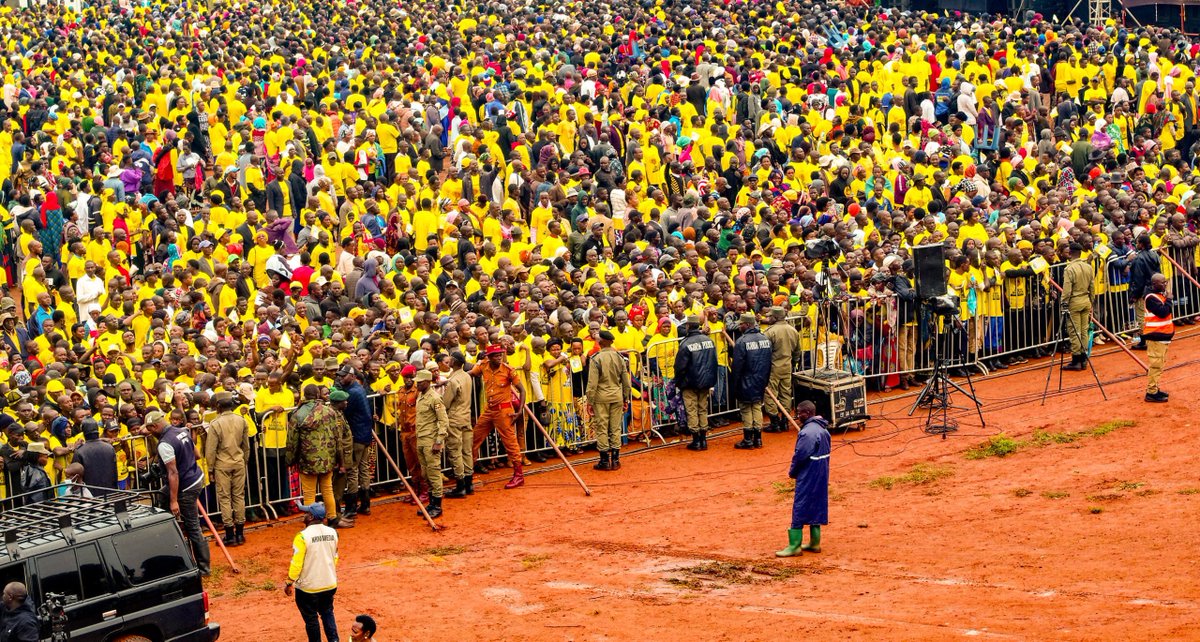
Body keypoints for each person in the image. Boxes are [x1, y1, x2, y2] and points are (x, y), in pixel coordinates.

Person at [146, 410, 211, 576]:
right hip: (196, 477)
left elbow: (173, 473)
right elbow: (197, 455)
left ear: (155, 426)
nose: (149, 432)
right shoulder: (181, 431)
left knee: (192, 525)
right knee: (162, 495)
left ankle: (203, 568)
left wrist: (174, 501)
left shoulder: (164, 444)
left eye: (150, 428)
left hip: (186, 485)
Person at [288, 386, 355, 529]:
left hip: (307, 460)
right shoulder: (329, 412)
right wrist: (340, 460)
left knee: (309, 493)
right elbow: (337, 438)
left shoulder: (298, 414)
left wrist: (290, 460)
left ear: (304, 395)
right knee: (327, 489)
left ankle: (311, 522)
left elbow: (292, 441)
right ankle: (332, 518)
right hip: (327, 459)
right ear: (318, 394)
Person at [776, 401, 831, 558]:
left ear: (807, 413)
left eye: (799, 413)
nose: (797, 416)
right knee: (817, 505)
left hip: (808, 473)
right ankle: (815, 542)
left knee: (800, 506)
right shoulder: (823, 429)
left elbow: (800, 455)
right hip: (822, 472)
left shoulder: (807, 433)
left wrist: (793, 472)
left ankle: (794, 546)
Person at [470, 344, 526, 489]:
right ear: (489, 357)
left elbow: (522, 390)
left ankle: (519, 475)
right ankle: (468, 474)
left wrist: (519, 410)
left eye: (500, 354)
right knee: (474, 438)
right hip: (489, 410)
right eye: (495, 355)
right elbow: (471, 373)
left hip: (504, 410)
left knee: (510, 443)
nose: (499, 357)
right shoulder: (483, 366)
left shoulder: (508, 370)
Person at [286, 501, 341, 642]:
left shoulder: (302, 536)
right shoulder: (333, 533)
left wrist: (289, 581)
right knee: (327, 613)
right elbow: (335, 557)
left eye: (306, 513)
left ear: (311, 517)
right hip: (329, 583)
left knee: (311, 619)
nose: (304, 516)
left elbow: (297, 562)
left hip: (308, 588)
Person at [206, 392, 251, 546]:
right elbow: (246, 445)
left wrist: (210, 468)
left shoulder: (215, 424)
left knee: (225, 498)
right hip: (238, 462)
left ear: (218, 407)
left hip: (222, 464)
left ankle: (230, 535)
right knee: (239, 496)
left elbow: (211, 449)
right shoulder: (241, 420)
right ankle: (240, 534)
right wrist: (244, 460)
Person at [587, 330, 631, 471]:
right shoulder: (619, 357)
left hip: (601, 397)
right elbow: (626, 381)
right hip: (617, 396)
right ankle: (616, 460)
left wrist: (590, 401)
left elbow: (592, 383)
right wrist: (625, 398)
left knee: (602, 427)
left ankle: (604, 460)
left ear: (601, 342)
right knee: (615, 428)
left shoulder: (596, 358)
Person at [673, 315, 717, 451]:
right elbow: (713, 362)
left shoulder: (685, 343)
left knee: (692, 410)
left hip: (690, 382)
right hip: (705, 381)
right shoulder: (709, 340)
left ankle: (696, 440)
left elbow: (680, 367)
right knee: (703, 408)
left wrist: (679, 382)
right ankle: (704, 440)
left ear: (687, 326)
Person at [338, 367, 375, 519]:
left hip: (357, 436)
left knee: (352, 471)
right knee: (363, 468)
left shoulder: (353, 392)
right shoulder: (358, 388)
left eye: (344, 376)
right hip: (364, 434)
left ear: (352, 376)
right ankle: (365, 505)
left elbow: (344, 412)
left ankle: (351, 508)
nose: (341, 378)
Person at [730, 313, 771, 450]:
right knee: (757, 406)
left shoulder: (741, 342)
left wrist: (735, 385)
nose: (739, 326)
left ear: (747, 324)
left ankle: (748, 439)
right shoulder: (765, 339)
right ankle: (758, 439)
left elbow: (737, 367)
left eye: (741, 324)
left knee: (746, 408)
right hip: (760, 379)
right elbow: (769, 362)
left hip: (745, 380)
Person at [413, 369, 448, 518]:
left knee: (434, 473)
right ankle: (432, 503)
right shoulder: (421, 396)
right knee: (425, 473)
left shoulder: (435, 398)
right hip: (421, 439)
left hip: (431, 440)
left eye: (420, 382)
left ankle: (437, 506)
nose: (417, 385)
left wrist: (439, 441)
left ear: (427, 382)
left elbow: (443, 421)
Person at [442, 352, 475, 499]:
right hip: (466, 417)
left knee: (455, 451)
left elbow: (446, 402)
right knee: (467, 451)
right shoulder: (466, 376)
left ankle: (460, 485)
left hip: (454, 418)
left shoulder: (453, 381)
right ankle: (469, 484)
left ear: (453, 361)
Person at [761, 306, 799, 433]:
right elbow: (797, 351)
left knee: (770, 394)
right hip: (787, 365)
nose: (768, 318)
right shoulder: (793, 330)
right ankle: (785, 421)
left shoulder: (769, 332)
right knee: (786, 393)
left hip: (773, 367)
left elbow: (765, 352)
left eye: (770, 316)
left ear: (775, 317)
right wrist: (793, 362)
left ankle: (774, 422)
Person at [1060, 242, 1095, 371]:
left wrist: (1064, 303)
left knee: (1075, 331)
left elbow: (1067, 289)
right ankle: (1084, 358)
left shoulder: (1069, 269)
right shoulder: (1088, 267)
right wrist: (1091, 301)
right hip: (1086, 300)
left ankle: (1076, 360)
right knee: (1084, 331)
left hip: (1074, 301)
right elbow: (1092, 286)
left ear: (1070, 253)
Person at [1142, 273, 1174, 403]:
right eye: (1162, 282)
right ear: (1154, 284)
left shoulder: (1159, 295)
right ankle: (1151, 392)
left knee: (1159, 365)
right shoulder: (1151, 298)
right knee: (1156, 365)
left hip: (1162, 336)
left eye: (1165, 282)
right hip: (1155, 336)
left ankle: (1154, 388)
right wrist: (1169, 299)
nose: (1165, 284)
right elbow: (1163, 312)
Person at [71, 421, 117, 496]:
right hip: (111, 493)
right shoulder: (109, 448)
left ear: (84, 433)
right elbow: (114, 473)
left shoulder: (80, 451)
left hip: (91, 496)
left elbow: (75, 476)